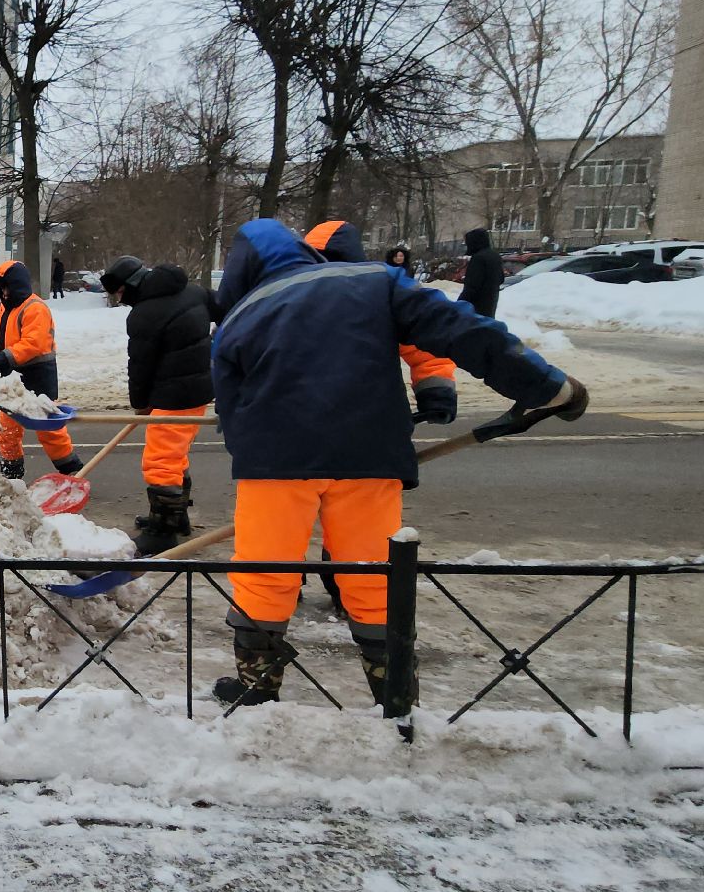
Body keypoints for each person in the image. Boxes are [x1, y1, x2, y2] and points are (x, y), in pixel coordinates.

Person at [209, 218, 586, 709]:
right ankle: (394, 695)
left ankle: (255, 689)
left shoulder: (241, 314)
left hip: (275, 465)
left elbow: (231, 409)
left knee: (265, 575)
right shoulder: (375, 281)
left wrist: (261, 455)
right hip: (369, 456)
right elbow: (461, 329)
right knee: (372, 578)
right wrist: (548, 387)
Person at [303, 221, 459, 616]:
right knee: (296, 521)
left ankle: (344, 590)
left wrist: (435, 387)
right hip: (307, 425)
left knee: (353, 526)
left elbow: (426, 343)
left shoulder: (376, 293)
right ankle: (296, 585)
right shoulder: (293, 293)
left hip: (359, 426)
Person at [100, 256, 212, 556]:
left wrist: (141, 403)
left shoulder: (145, 314)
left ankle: (163, 532)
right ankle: (177, 518)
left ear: (132, 284)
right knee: (175, 455)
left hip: (173, 395)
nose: (122, 301)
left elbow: (140, 366)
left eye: (121, 294)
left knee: (161, 461)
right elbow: (227, 314)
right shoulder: (194, 292)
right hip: (199, 390)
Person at [0, 260, 81, 479]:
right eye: (1, 287)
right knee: (7, 429)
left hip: (38, 375)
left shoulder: (35, 308)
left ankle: (71, 469)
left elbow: (34, 343)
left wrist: (4, 357)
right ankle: (11, 475)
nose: (4, 291)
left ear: (17, 284)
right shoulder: (1, 307)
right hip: (11, 376)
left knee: (49, 430)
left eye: (7, 286)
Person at [458, 227, 502, 317]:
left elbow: (472, 287)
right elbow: (501, 279)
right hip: (491, 303)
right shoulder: (495, 256)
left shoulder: (478, 258)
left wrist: (459, 305)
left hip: (475, 307)